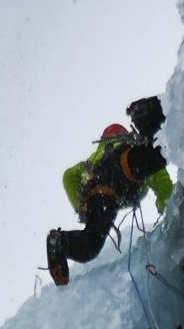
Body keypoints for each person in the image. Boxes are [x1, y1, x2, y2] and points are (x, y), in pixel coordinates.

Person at [46, 96, 171, 288]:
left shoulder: (92, 161)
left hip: (101, 190)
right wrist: (168, 206)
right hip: (125, 168)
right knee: (159, 152)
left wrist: (82, 207)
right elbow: (161, 180)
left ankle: (61, 243)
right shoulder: (129, 146)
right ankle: (161, 113)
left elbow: (68, 176)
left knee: (90, 245)